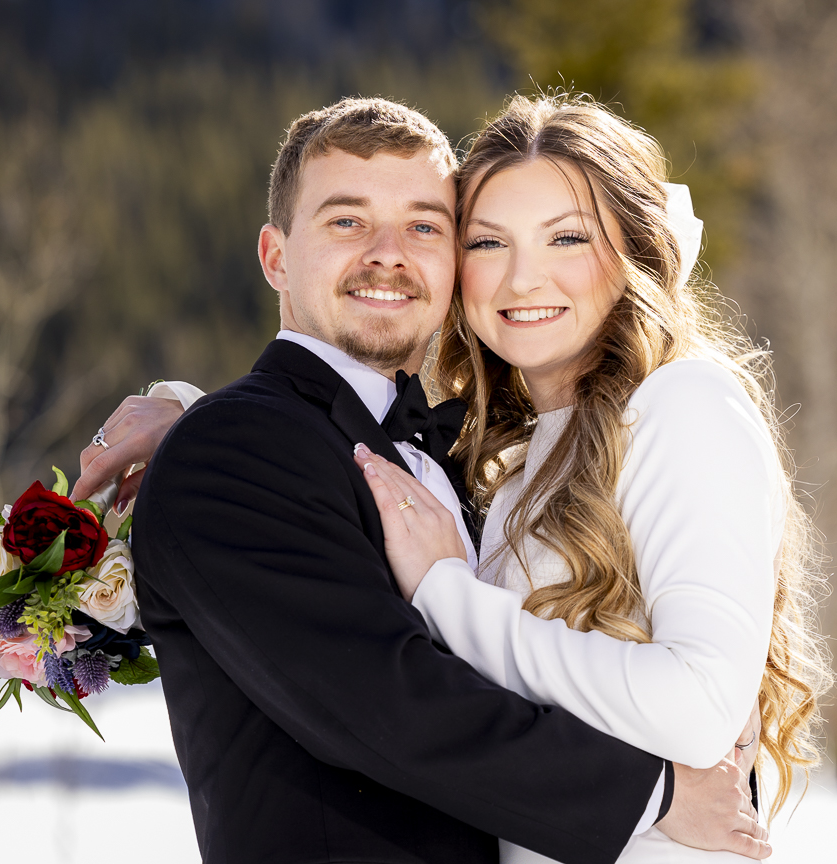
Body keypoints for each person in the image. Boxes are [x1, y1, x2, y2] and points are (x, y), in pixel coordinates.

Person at [73, 97, 772, 863]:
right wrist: (655, 795)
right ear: (275, 257)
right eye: (347, 222)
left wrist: (445, 589)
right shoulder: (245, 452)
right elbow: (383, 702)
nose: (387, 254)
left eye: (425, 227)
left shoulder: (508, 454)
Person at [349, 94, 832, 862]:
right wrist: (192, 417)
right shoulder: (515, 462)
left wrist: (449, 596)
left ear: (633, 252)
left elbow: (698, 708)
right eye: (488, 243)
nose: (521, 281)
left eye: (566, 238)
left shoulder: (684, 405)